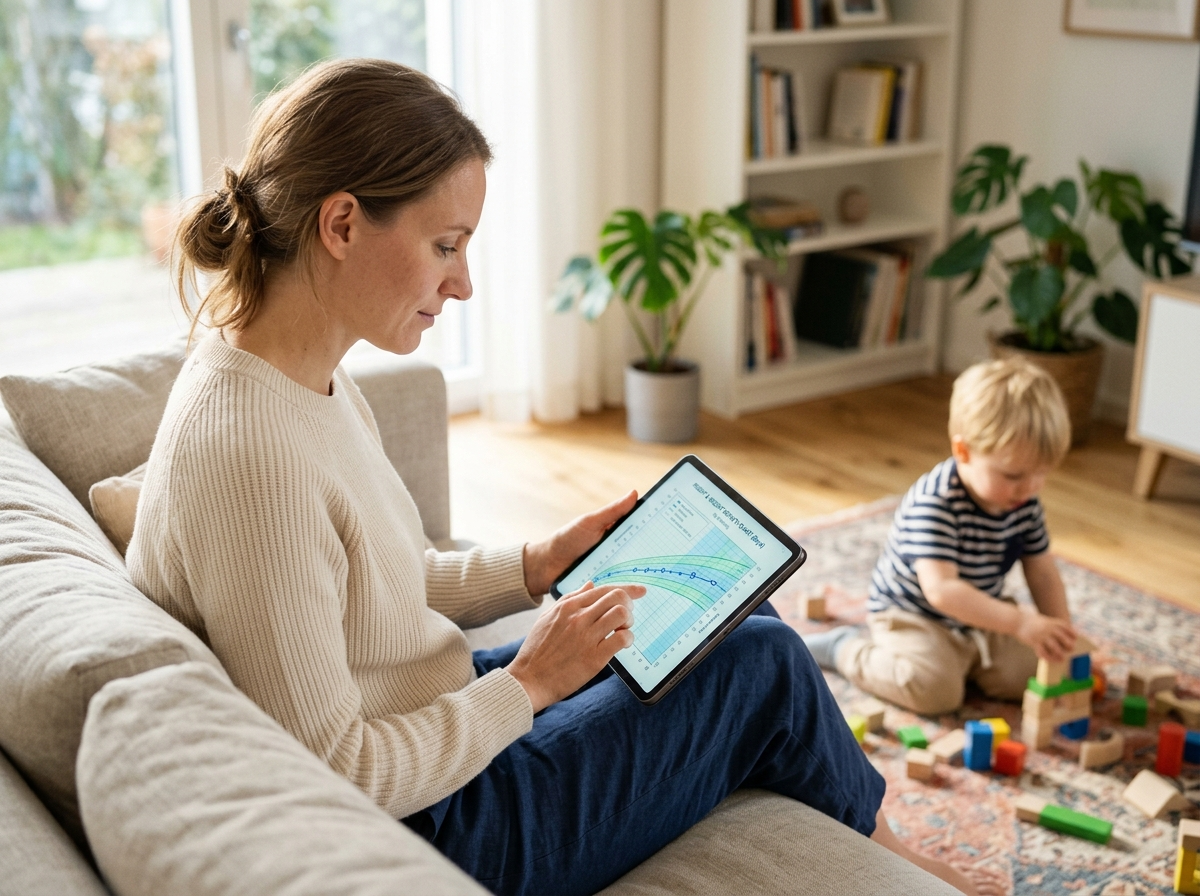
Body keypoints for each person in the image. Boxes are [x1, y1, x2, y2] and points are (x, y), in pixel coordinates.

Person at [126, 58, 975, 896]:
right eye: (445, 246)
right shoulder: (251, 455)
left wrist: (539, 564)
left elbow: (381, 584)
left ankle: (880, 846)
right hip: (437, 829)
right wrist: (530, 684)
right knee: (761, 663)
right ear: (341, 224)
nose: (462, 284)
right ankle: (907, 869)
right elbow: (340, 771)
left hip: (436, 719)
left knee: (725, 610)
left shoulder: (303, 373)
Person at [805, 357, 1076, 716]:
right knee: (935, 692)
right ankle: (844, 648)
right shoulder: (935, 502)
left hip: (980, 612)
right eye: (1014, 475)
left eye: (1041, 473)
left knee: (1038, 672)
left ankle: (968, 664)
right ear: (963, 451)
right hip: (915, 616)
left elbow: (1042, 572)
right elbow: (942, 591)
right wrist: (1020, 622)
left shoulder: (1023, 501)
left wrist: (1061, 637)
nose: (1029, 487)